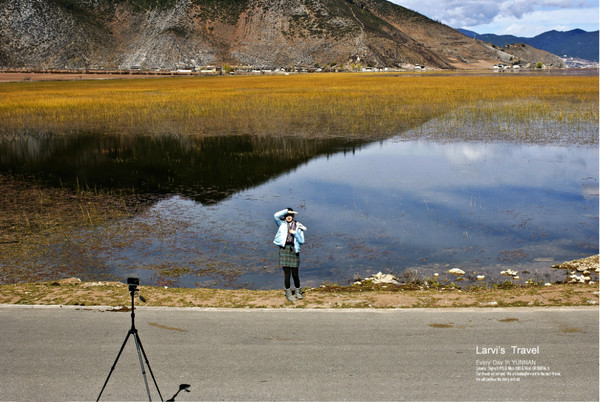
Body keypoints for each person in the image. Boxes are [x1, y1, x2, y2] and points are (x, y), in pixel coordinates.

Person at [273, 208, 306, 302]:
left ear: (293, 216)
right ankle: (288, 293)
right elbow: (276, 215)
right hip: (284, 249)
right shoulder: (281, 224)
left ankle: (298, 291)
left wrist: (295, 233)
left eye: (290, 215)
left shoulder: (298, 226)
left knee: (295, 274)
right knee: (287, 274)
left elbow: (302, 241)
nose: (288, 217)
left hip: (294, 250)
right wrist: (287, 211)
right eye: (287, 215)